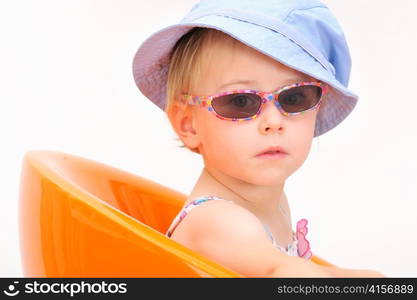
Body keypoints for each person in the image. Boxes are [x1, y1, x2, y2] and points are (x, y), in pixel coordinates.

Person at [132, 0, 385, 277]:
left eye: (294, 97)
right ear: (189, 124)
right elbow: (284, 274)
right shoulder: (217, 220)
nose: (273, 122)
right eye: (240, 101)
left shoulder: (270, 202)